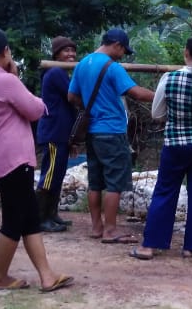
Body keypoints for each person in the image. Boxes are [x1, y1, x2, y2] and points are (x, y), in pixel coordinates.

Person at [0, 26, 73, 292]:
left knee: (29, 218)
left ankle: (46, 276)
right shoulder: (5, 81)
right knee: (14, 220)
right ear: (5, 51)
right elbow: (35, 109)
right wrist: (16, 78)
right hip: (14, 163)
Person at [130, 37, 192, 260]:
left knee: (165, 191)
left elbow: (157, 114)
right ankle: (191, 248)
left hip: (175, 145)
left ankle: (150, 245)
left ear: (186, 53)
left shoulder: (169, 79)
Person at [67, 28, 156, 244]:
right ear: (116, 44)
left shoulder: (83, 63)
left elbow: (71, 96)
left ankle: (97, 227)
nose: (122, 55)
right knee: (115, 182)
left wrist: (90, 107)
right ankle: (111, 230)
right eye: (123, 51)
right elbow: (135, 92)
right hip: (112, 131)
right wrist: (162, 96)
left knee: (95, 182)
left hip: (92, 131)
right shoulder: (112, 67)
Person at [36, 36, 78, 233]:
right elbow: (75, 97)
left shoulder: (60, 73)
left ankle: (51, 214)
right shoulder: (55, 73)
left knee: (58, 175)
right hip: (54, 132)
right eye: (66, 51)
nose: (70, 54)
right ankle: (39, 218)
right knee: (50, 175)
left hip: (61, 133)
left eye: (72, 50)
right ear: (56, 54)